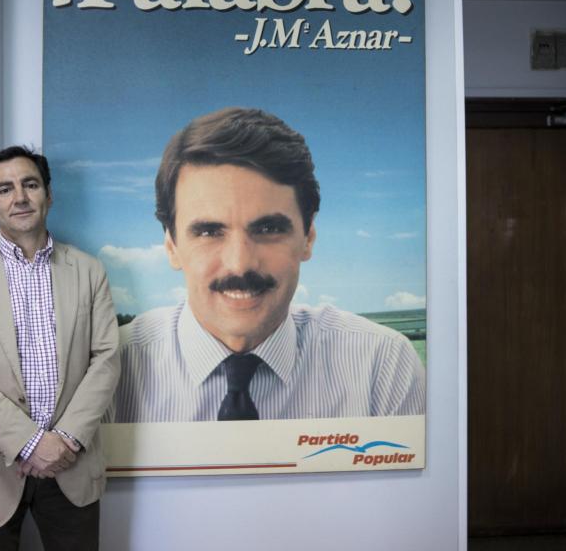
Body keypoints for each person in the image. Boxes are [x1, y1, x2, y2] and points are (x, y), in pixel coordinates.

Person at [111, 107, 425, 422]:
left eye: (268, 229)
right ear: (171, 246)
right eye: (209, 231)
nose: (239, 264)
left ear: (309, 237)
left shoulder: (382, 366)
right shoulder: (109, 370)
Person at [0, 146, 120, 550]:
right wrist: (31, 443)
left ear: (48, 195)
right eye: (4, 189)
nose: (19, 197)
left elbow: (105, 359)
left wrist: (64, 441)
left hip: (71, 463)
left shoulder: (89, 271)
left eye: (29, 184)